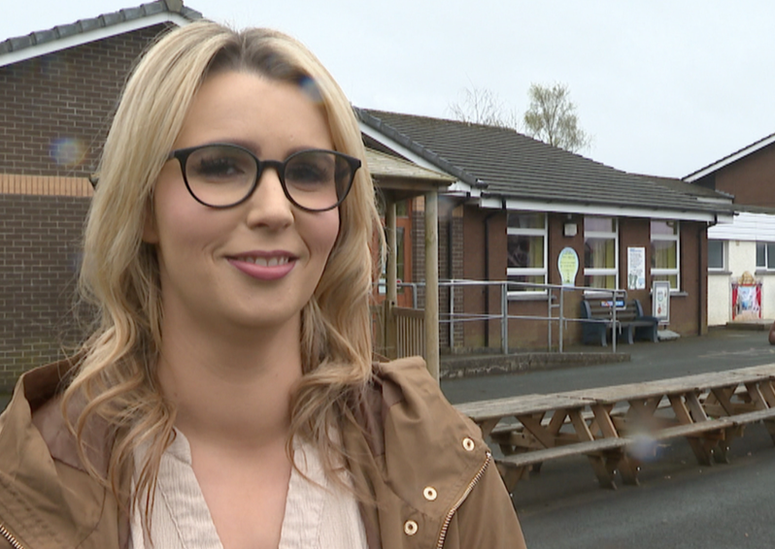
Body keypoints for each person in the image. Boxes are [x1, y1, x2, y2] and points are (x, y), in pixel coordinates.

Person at [0, 21, 525, 549]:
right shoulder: (25, 483)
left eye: (309, 172)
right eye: (221, 166)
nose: (276, 210)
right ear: (144, 208)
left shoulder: (444, 465)